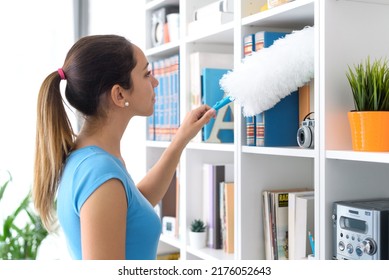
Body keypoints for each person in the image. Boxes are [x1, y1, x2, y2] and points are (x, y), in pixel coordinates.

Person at [33, 34, 216, 260]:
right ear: (119, 94)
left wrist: (181, 139)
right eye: (147, 74)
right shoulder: (99, 173)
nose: (155, 82)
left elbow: (136, 204)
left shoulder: (89, 159)